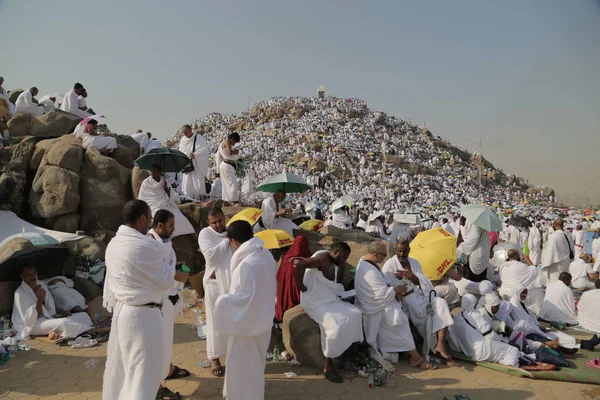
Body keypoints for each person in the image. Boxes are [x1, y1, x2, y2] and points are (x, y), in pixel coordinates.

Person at [102, 200, 189, 400]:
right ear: (142, 218)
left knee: (129, 374)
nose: (150, 223)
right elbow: (167, 281)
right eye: (149, 218)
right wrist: (171, 272)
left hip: (124, 313)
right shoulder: (144, 246)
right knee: (144, 377)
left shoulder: (114, 243)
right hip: (143, 318)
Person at [213, 220, 277, 400]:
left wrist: (220, 302)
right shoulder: (265, 254)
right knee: (256, 366)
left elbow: (241, 300)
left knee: (242, 369)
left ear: (233, 241)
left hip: (246, 327)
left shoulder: (246, 265)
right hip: (263, 321)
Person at [354, 240, 436, 370]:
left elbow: (382, 287)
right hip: (373, 307)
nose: (385, 257)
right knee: (399, 319)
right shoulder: (370, 270)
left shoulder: (367, 262)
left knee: (404, 314)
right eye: (384, 254)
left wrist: (401, 286)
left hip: (392, 299)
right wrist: (397, 290)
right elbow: (380, 295)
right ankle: (415, 357)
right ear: (375, 254)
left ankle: (420, 351)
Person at [381, 239, 460, 367]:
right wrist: (396, 291)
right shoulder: (389, 265)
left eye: (404, 251)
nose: (402, 254)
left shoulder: (415, 263)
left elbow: (423, 282)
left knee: (441, 303)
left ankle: (440, 344)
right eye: (399, 251)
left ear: (409, 250)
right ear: (395, 250)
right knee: (425, 315)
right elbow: (385, 285)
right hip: (407, 298)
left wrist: (412, 276)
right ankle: (433, 348)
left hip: (421, 294)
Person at [295, 242, 364, 382]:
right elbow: (300, 264)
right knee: (335, 327)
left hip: (328, 297)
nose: (344, 261)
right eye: (343, 257)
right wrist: (300, 285)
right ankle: (328, 366)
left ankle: (348, 354)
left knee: (355, 313)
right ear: (336, 252)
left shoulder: (331, 261)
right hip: (315, 302)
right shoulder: (322, 258)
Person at [147, 210, 191, 395]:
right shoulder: (150, 244)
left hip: (167, 300)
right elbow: (153, 272)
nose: (173, 229)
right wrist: (175, 275)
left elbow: (167, 266)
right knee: (156, 345)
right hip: (154, 303)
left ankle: (168, 369)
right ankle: (156, 387)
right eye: (171, 226)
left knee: (166, 341)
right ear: (159, 226)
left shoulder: (165, 242)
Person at [11, 265, 94, 341]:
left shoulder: (40, 284)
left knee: (83, 315)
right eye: (29, 275)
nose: (33, 276)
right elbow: (29, 319)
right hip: (32, 325)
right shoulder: (20, 293)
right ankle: (94, 330)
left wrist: (58, 311)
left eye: (34, 273)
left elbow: (49, 308)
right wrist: (40, 299)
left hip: (47, 317)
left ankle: (54, 332)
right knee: (64, 323)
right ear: (23, 277)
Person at [197, 207, 234, 378]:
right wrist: (227, 241)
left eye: (220, 220)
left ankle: (234, 357)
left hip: (231, 285)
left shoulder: (231, 232)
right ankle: (215, 359)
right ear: (208, 223)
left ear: (224, 218)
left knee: (232, 322)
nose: (218, 225)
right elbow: (211, 257)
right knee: (214, 322)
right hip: (213, 285)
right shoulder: (205, 234)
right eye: (214, 222)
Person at [448, 294, 521, 367]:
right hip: (482, 350)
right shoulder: (475, 315)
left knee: (504, 347)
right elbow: (490, 335)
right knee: (514, 350)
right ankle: (510, 365)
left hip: (469, 352)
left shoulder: (457, 316)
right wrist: (506, 342)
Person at [137, 164, 195, 237]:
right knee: (163, 219)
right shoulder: (146, 182)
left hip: (167, 205)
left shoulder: (165, 181)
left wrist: (167, 189)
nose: (152, 173)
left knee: (179, 218)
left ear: (159, 171)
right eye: (152, 171)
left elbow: (172, 197)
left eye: (155, 171)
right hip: (154, 206)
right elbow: (143, 198)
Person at [275, 235, 311, 323]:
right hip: (302, 293)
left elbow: (278, 276)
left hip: (287, 291)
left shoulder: (286, 258)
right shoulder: (310, 260)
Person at [497, 249, 544, 315]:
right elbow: (534, 271)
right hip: (513, 294)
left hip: (503, 292)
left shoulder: (503, 265)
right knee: (538, 292)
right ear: (516, 256)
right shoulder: (520, 265)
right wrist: (527, 259)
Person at [178, 125, 209, 200]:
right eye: (183, 133)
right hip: (187, 165)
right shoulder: (183, 140)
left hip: (197, 164)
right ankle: (189, 199)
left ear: (190, 130)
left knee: (198, 183)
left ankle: (201, 199)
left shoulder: (198, 138)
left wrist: (195, 154)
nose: (185, 134)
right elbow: (181, 151)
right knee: (187, 184)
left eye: (186, 132)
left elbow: (204, 151)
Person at [541, 219, 573, 284]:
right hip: (566, 261)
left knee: (554, 281)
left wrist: (546, 262)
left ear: (554, 225)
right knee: (564, 280)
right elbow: (572, 248)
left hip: (556, 261)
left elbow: (550, 250)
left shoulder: (554, 235)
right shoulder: (568, 234)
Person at [216, 132, 240, 205]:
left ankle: (225, 202)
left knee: (226, 185)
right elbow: (230, 153)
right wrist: (236, 151)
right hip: (226, 166)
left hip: (226, 166)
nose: (234, 144)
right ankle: (235, 201)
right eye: (235, 142)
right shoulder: (227, 141)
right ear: (232, 139)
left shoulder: (224, 142)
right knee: (233, 184)